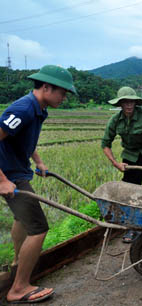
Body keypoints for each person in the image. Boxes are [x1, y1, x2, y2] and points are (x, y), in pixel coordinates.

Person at [0, 65, 77, 303]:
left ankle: (16, 263)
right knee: (39, 227)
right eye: (62, 93)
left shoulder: (39, 109)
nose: (64, 98)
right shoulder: (24, 108)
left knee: (21, 219)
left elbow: (25, 139)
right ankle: (18, 288)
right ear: (46, 87)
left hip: (18, 170)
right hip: (9, 173)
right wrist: (2, 180)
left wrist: (39, 161)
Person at [101, 86, 142, 243]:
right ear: (120, 104)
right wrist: (116, 163)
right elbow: (105, 144)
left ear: (135, 103)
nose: (128, 105)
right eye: (125, 102)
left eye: (131, 102)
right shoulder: (115, 120)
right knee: (129, 194)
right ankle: (132, 228)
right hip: (130, 158)